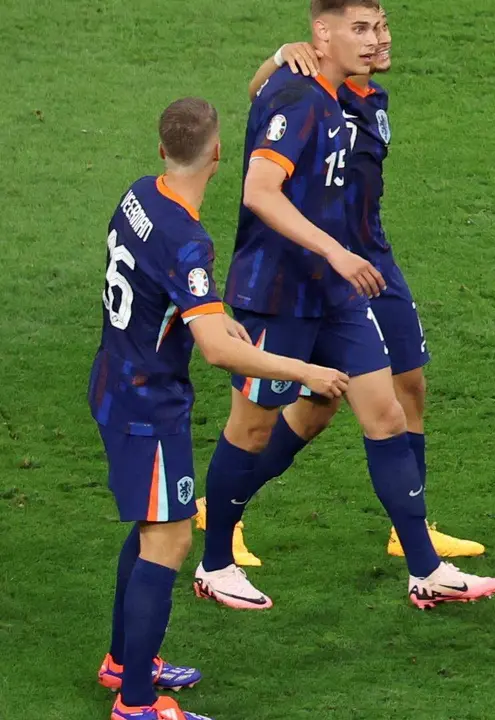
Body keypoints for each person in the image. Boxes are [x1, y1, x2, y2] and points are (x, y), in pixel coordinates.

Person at [194, 0, 495, 612]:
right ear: (322, 33)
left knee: (385, 413)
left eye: (378, 28)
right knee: (251, 429)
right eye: (360, 29)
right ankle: (214, 564)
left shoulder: (339, 97)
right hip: (278, 294)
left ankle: (424, 569)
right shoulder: (300, 97)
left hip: (336, 293)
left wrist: (341, 261)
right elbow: (259, 192)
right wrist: (337, 252)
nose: (374, 40)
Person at [91, 96, 349, 720]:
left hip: (117, 384)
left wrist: (211, 314)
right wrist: (306, 370)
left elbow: (169, 299)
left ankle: (125, 664)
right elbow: (214, 351)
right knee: (171, 540)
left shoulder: (138, 196)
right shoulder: (188, 239)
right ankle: (137, 705)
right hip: (147, 407)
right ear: (216, 152)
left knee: (155, 524)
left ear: (162, 150)